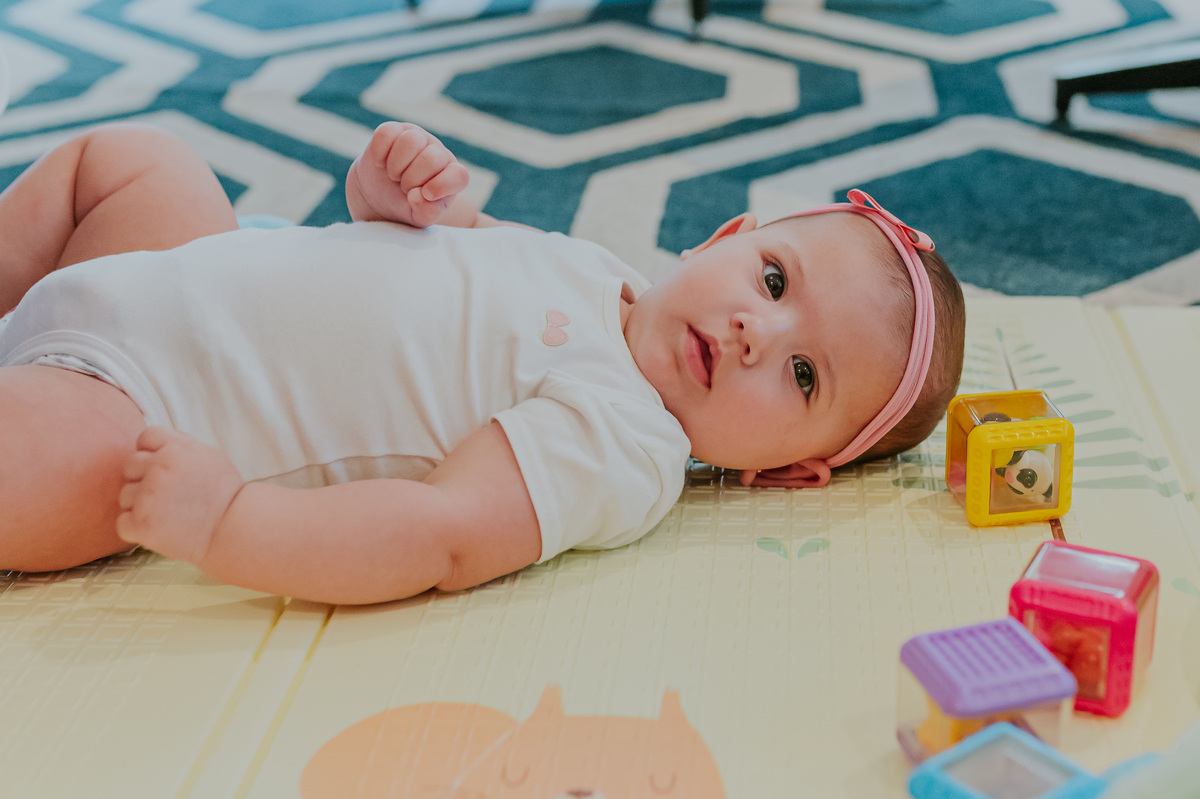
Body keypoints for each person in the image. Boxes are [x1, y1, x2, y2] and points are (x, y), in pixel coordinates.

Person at [0, 122, 965, 604]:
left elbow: (440, 531)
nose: (762, 331)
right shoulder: (599, 269)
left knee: (46, 465)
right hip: (164, 274)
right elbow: (444, 247)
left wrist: (229, 522)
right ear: (722, 235)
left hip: (135, 410)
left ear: (785, 472)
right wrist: (391, 195)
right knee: (138, 161)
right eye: (771, 277)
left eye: (803, 377)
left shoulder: (623, 444)